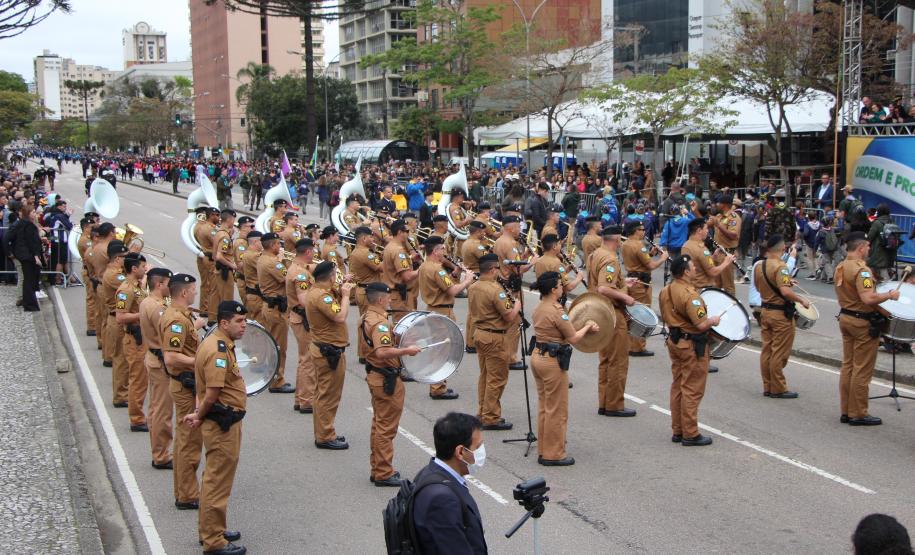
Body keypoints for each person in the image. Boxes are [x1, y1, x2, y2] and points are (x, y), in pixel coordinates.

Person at [183, 300, 248, 555]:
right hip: (222, 423)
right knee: (216, 482)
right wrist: (199, 415)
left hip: (225, 420)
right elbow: (211, 393)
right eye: (238, 321)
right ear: (224, 323)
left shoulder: (218, 343)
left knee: (216, 479)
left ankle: (212, 529)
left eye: (243, 321)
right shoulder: (218, 350)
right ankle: (213, 541)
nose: (243, 326)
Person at [529, 271, 599, 466]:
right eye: (560, 285)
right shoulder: (556, 310)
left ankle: (544, 449)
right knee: (556, 410)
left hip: (538, 356)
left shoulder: (540, 307)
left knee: (545, 406)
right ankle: (553, 454)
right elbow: (574, 338)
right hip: (552, 362)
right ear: (553, 289)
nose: (563, 287)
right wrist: (588, 327)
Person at [359, 282, 422, 486]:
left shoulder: (367, 317)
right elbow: (382, 351)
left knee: (379, 424)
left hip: (376, 375)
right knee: (386, 428)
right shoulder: (379, 323)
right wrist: (407, 351)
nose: (390, 300)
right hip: (386, 378)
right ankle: (383, 472)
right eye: (388, 297)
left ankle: (377, 467)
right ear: (380, 299)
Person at [835, 231, 899, 426]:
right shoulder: (862, 270)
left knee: (848, 366)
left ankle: (846, 410)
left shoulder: (840, 266)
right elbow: (868, 298)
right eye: (868, 247)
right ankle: (858, 413)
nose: (869, 250)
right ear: (861, 248)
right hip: (862, 322)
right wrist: (889, 295)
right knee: (862, 370)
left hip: (846, 317)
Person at [658, 255, 719, 446]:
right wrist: (713, 320)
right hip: (691, 345)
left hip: (675, 341)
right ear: (685, 271)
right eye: (692, 267)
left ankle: (678, 429)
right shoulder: (690, 295)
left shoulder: (666, 290)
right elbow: (701, 324)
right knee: (692, 389)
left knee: (678, 386)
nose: (695, 269)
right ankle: (690, 433)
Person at [160, 274, 207, 510]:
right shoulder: (176, 320)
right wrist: (198, 361)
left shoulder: (181, 316)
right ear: (184, 293)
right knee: (189, 441)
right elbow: (171, 356)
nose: (195, 293)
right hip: (184, 384)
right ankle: (187, 494)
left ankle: (184, 490)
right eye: (193, 289)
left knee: (185, 439)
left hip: (185, 382)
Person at [411, 412, 488, 555]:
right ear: (460, 452)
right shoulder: (441, 500)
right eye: (477, 446)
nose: (481, 451)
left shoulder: (430, 472)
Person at [587, 226, 639, 417]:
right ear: (616, 240)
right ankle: (614, 404)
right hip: (611, 312)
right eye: (620, 241)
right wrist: (626, 297)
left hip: (599, 311)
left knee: (605, 359)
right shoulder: (610, 258)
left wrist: (624, 285)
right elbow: (604, 288)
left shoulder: (594, 254)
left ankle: (604, 401)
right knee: (617, 360)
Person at [304, 261, 355, 450]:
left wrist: (341, 290)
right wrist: (346, 296)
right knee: (328, 395)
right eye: (336, 274)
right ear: (330, 277)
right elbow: (340, 316)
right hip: (329, 352)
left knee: (323, 394)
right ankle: (325, 435)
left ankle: (324, 431)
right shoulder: (321, 296)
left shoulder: (319, 291)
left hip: (325, 349)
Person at [467, 254, 521, 430]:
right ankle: (491, 416)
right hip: (495, 336)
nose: (499, 271)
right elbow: (509, 315)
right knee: (496, 378)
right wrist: (518, 304)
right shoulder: (494, 289)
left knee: (485, 375)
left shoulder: (474, 286)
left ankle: (483, 411)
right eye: (497, 268)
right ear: (492, 269)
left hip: (480, 334)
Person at [419, 235, 473, 399]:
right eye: (443, 249)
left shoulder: (425, 266)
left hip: (435, 309)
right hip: (442, 311)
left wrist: (456, 273)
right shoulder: (436, 268)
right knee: (441, 350)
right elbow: (452, 291)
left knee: (440, 348)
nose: (445, 251)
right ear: (436, 251)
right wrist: (467, 280)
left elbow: (445, 284)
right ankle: (437, 387)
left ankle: (440, 384)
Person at [755, 235, 808, 399]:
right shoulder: (781, 267)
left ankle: (767, 385)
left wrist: (784, 284)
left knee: (767, 350)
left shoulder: (760, 265)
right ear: (783, 249)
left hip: (765, 310)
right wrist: (801, 300)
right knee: (779, 352)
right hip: (780, 314)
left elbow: (758, 287)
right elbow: (784, 291)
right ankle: (778, 387)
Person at [139, 267, 174, 469]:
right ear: (160, 284)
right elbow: (169, 332)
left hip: (153, 357)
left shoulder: (147, 301)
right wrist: (194, 325)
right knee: (162, 410)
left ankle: (158, 450)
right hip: (160, 361)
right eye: (168, 283)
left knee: (155, 408)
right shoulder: (157, 307)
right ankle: (161, 455)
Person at [491, 215, 534, 370]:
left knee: (505, 321)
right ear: (511, 228)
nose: (520, 230)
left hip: (502, 284)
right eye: (518, 227)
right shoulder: (510, 244)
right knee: (514, 323)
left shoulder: (499, 241)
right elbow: (519, 268)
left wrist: (525, 256)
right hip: (511, 286)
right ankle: (510, 358)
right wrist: (531, 263)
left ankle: (504, 354)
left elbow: (512, 262)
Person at [621, 221, 668, 356]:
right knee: (641, 315)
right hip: (641, 284)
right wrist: (663, 258)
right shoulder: (639, 245)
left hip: (633, 279)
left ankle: (630, 344)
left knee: (631, 313)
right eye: (642, 229)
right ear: (636, 231)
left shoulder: (626, 244)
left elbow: (640, 261)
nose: (644, 232)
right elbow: (651, 265)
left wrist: (651, 254)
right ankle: (637, 347)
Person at [115, 253, 150, 431]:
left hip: (142, 337)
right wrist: (143, 314)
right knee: (138, 380)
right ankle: (136, 419)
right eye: (143, 267)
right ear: (134, 268)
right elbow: (120, 317)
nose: (146, 269)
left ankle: (138, 415)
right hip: (134, 338)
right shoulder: (126, 290)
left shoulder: (136, 286)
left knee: (142, 379)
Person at [256, 232, 294, 393]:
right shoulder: (273, 262)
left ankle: (271, 375)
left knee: (273, 343)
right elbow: (287, 278)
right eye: (278, 244)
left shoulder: (263, 258)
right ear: (272, 246)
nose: (280, 247)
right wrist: (283, 259)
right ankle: (277, 380)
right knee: (279, 346)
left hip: (270, 306)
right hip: (276, 309)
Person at [286, 238, 316, 414]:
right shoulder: (300, 274)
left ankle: (300, 398)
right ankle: (306, 400)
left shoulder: (297, 268)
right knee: (308, 361)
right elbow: (304, 301)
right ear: (308, 252)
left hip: (297, 317)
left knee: (304, 359)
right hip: (302, 318)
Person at [101, 241, 130, 405]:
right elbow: (132, 286)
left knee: (125, 358)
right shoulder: (114, 275)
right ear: (118, 258)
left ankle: (123, 391)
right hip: (117, 320)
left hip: (117, 318)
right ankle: (120, 395)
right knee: (121, 358)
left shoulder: (117, 271)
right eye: (125, 257)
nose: (127, 260)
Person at [6, 203, 42, 311]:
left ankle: (27, 302)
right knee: (28, 280)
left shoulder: (22, 224)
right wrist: (36, 256)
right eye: (33, 212)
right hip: (27, 256)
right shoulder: (28, 225)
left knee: (27, 279)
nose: (35, 214)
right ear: (28, 214)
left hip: (23, 255)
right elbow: (32, 242)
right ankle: (29, 304)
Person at [382, 220, 419, 318]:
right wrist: (422, 269)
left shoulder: (390, 246)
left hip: (396, 294)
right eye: (407, 231)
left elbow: (394, 266)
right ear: (399, 232)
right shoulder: (398, 250)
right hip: (400, 296)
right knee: (404, 329)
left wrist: (410, 259)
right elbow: (407, 276)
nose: (408, 234)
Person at [210, 209, 238, 319]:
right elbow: (219, 256)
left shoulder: (218, 233)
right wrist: (233, 265)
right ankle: (226, 322)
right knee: (227, 300)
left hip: (218, 269)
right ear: (230, 219)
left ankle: (213, 320)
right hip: (225, 271)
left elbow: (214, 256)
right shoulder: (225, 237)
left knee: (217, 296)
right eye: (233, 219)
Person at [712, 195, 742, 292]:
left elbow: (733, 235)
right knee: (716, 285)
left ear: (724, 205)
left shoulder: (733, 218)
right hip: (717, 253)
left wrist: (719, 225)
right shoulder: (719, 216)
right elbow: (704, 223)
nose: (717, 205)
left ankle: (732, 305)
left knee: (728, 286)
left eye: (719, 203)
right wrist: (695, 211)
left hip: (727, 254)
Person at [195, 207, 219, 319]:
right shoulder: (206, 228)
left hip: (202, 256)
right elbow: (218, 243)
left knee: (206, 284)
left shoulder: (197, 227)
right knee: (210, 284)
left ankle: (204, 308)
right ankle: (206, 309)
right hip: (207, 257)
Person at [866, 204, 895, 282]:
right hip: (890, 250)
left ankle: (868, 286)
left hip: (878, 251)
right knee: (883, 269)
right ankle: (885, 287)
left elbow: (870, 237)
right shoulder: (893, 222)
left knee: (870, 269)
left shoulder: (877, 223)